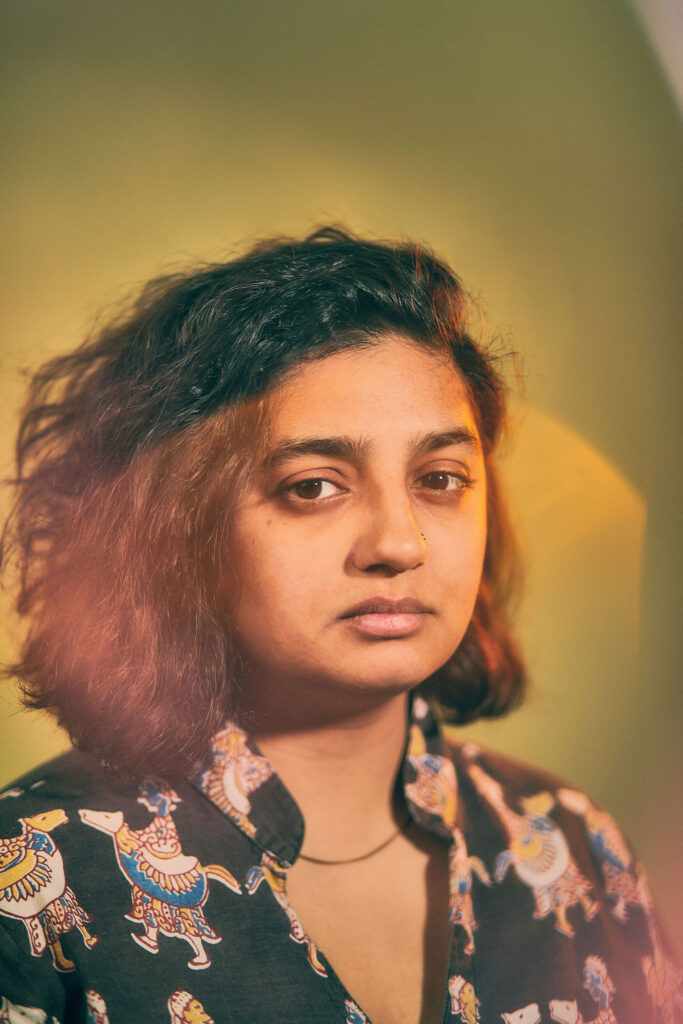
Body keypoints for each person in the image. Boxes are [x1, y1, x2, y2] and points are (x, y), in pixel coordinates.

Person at [0, 227, 678, 1024]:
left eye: (439, 478)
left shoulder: (569, 846)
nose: (398, 543)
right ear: (177, 529)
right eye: (314, 486)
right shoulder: (37, 875)